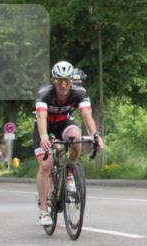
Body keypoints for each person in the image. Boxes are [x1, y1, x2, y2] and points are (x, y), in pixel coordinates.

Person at [34, 61, 104, 226]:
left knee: (76, 137)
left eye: (67, 80)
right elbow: (41, 116)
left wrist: (95, 135)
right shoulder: (44, 93)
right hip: (44, 126)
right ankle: (44, 210)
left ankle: (70, 173)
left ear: (72, 80)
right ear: (53, 80)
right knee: (46, 166)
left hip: (64, 123)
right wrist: (43, 136)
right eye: (59, 80)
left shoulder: (79, 92)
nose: (63, 85)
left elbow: (86, 114)